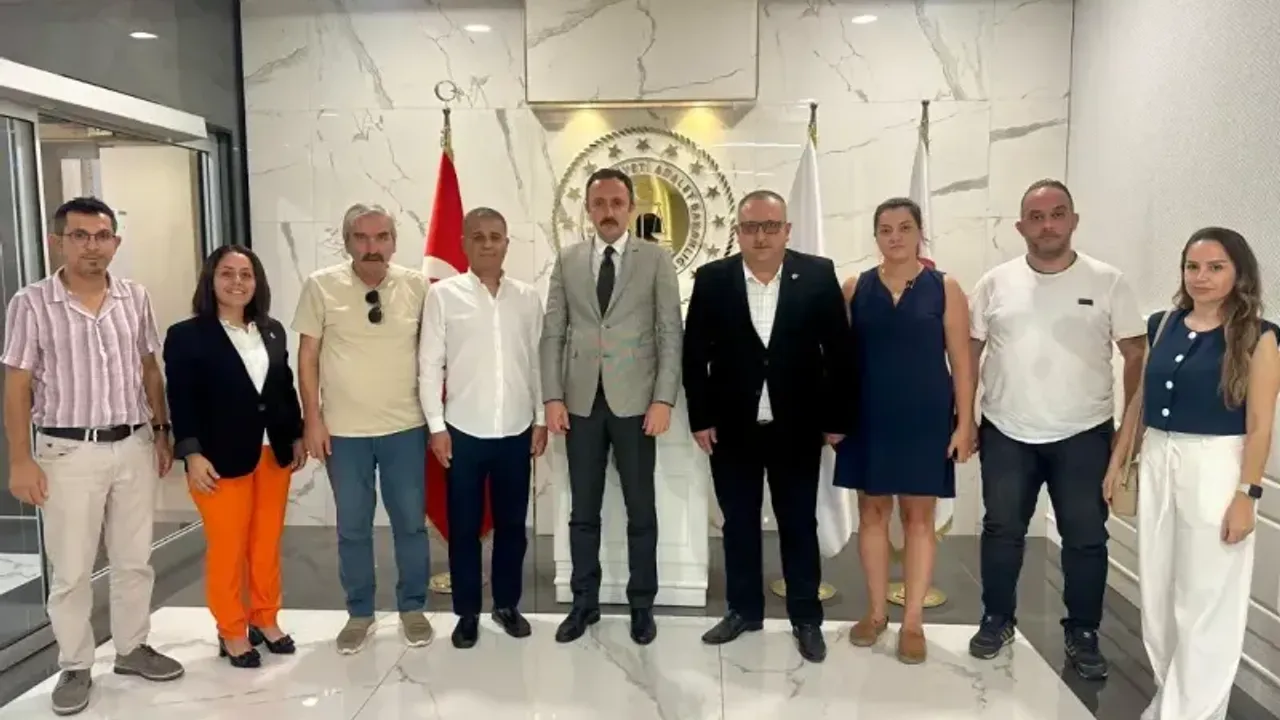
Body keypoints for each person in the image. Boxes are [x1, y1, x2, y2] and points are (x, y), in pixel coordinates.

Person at [2, 197, 184, 716]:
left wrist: (161, 430)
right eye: (79, 236)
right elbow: (16, 386)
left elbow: (149, 369)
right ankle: (75, 663)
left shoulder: (134, 297)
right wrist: (20, 459)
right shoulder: (31, 303)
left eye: (102, 236)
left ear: (115, 243)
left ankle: (131, 648)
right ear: (57, 242)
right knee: (72, 568)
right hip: (67, 451)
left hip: (133, 445)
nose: (92, 246)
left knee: (134, 559)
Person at [968, 179, 1146, 680]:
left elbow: (1136, 353)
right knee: (1002, 531)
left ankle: (1083, 632)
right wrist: (964, 418)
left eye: (1057, 213)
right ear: (1020, 226)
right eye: (1036, 216)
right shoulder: (994, 283)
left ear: (1073, 220)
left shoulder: (1108, 281)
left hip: (1084, 434)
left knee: (1085, 539)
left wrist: (1128, 434)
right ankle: (997, 619)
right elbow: (970, 351)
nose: (1047, 224)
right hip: (1006, 430)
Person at [1105, 228, 1277, 720]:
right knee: (1159, 592)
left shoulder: (1260, 336)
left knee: (1207, 597)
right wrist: (1118, 460)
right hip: (1159, 458)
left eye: (1216, 267)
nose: (1201, 277)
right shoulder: (1163, 325)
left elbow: (1260, 425)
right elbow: (1140, 400)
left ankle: (1188, 712)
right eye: (1193, 266)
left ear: (1239, 273)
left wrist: (1246, 495)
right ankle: (1174, 698)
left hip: (1216, 465)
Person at [682, 189, 856, 663]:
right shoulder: (713, 279)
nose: (760, 236)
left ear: (787, 231)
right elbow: (694, 355)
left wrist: (836, 419)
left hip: (797, 426)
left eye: (770, 226)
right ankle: (743, 611)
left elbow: (839, 352)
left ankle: (806, 618)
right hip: (731, 427)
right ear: (738, 232)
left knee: (798, 522)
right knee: (738, 523)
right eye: (751, 227)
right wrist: (700, 418)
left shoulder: (817, 274)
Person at [540, 167, 683, 645]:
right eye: (599, 203)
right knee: (583, 512)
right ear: (588, 209)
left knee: (641, 511)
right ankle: (584, 602)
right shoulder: (568, 260)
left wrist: (663, 399)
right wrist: (552, 396)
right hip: (580, 404)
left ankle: (642, 604)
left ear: (631, 208)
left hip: (637, 404)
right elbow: (553, 332)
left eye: (617, 203)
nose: (608, 212)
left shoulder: (655, 260)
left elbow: (670, 332)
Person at [836, 198, 975, 664]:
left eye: (904, 227)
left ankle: (912, 621)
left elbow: (962, 362)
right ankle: (876, 613)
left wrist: (965, 423)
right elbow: (837, 361)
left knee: (919, 518)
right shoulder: (855, 288)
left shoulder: (945, 288)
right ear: (876, 236)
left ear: (919, 232)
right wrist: (834, 419)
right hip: (868, 416)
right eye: (885, 229)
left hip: (925, 418)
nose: (894, 237)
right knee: (872, 513)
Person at [293, 203, 433, 654]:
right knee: (352, 527)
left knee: (410, 524)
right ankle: (359, 613)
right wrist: (312, 419)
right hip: (344, 433)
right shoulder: (321, 286)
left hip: (405, 427)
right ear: (346, 241)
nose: (372, 247)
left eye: (382, 237)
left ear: (394, 241)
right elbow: (308, 357)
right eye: (362, 237)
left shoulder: (418, 287)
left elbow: (434, 355)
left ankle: (413, 608)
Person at [163, 245, 307, 668]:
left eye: (246, 274)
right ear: (211, 280)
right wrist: (191, 453)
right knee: (227, 546)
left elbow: (283, 388)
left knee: (265, 543)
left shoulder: (272, 330)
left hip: (272, 452)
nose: (237, 282)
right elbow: (181, 399)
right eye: (227, 273)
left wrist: (296, 435)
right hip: (218, 458)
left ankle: (265, 617)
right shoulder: (187, 335)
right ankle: (231, 629)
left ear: (257, 282)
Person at [419, 207, 547, 649]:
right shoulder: (443, 296)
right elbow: (429, 365)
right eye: (478, 236)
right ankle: (468, 612)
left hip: (516, 429)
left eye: (496, 236)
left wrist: (541, 419)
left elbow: (538, 363)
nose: (488, 244)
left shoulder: (527, 298)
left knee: (512, 526)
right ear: (463, 243)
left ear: (507, 243)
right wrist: (436, 427)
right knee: (464, 528)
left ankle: (507, 605)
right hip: (462, 432)